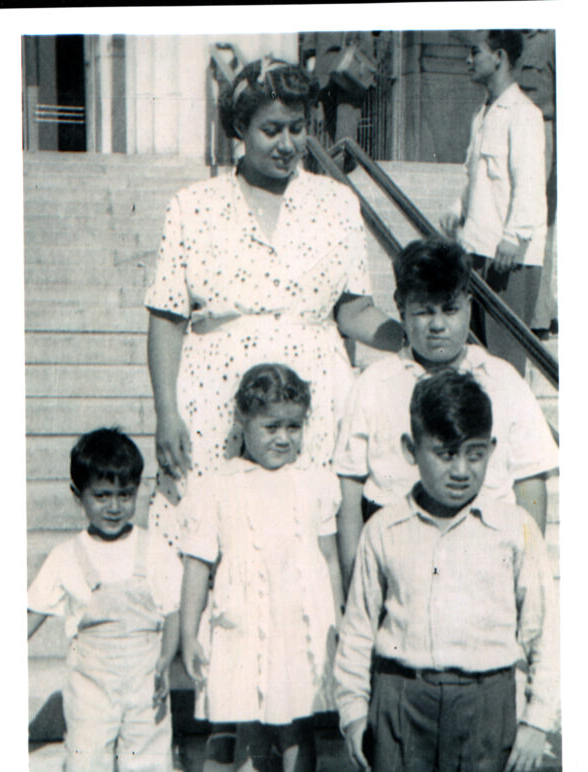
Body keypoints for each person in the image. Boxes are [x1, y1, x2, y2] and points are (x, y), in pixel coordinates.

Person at [145, 56, 400, 568]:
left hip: (313, 399)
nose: (287, 144)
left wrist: (408, 337)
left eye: (297, 128)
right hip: (216, 399)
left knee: (306, 544)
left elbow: (353, 310)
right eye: (271, 130)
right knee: (209, 540)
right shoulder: (192, 204)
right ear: (240, 127)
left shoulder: (336, 201)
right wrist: (166, 413)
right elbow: (167, 317)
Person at [334, 370, 558, 771]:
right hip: (401, 701)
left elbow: (544, 631)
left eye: (474, 454)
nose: (461, 471)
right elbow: (358, 627)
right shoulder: (383, 530)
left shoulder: (515, 528)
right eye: (445, 453)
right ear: (411, 449)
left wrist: (538, 720)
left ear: (491, 449)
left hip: (488, 703)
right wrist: (352, 709)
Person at [332, 238, 558, 583]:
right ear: (401, 308)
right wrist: (353, 582)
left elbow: (531, 485)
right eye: (424, 311)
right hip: (397, 561)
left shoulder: (502, 380)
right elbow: (349, 494)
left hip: (485, 557)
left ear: (469, 305)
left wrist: (526, 573)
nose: (437, 325)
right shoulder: (374, 384)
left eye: (450, 310)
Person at [179, 364, 343, 772]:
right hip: (244, 621)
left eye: (294, 426)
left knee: (297, 720)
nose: (284, 438)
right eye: (271, 427)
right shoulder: (218, 485)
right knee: (238, 717)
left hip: (298, 622)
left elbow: (330, 560)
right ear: (243, 419)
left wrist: (337, 623)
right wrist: (187, 631)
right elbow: (198, 563)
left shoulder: (315, 482)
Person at [27, 428, 181, 772]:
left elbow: (172, 610)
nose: (114, 506)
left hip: (147, 679)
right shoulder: (66, 556)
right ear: (77, 495)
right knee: (87, 754)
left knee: (149, 759)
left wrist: (166, 660)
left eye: (124, 495)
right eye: (102, 496)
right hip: (91, 684)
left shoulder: (155, 549)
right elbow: (32, 613)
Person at [441, 30, 547, 376]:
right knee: (478, 362)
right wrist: (459, 208)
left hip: (508, 258)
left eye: (476, 52)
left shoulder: (523, 113)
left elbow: (530, 181)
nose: (469, 60)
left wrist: (515, 235)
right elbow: (477, 178)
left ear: (499, 56)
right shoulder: (483, 114)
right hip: (478, 248)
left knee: (505, 365)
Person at [515, 29, 557, 338]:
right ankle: (534, 309)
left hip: (543, 130)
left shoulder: (552, 37)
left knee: (537, 219)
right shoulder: (511, 35)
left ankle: (538, 314)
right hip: (513, 127)